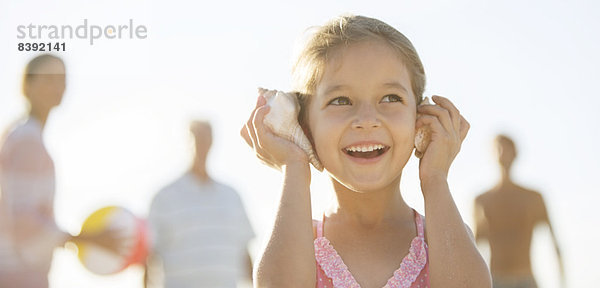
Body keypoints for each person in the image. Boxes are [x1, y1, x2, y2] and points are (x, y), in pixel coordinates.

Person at [241, 15, 491, 288]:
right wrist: (294, 166)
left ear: (419, 118)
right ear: (305, 127)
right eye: (341, 100)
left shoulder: (444, 237)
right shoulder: (296, 240)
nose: (367, 119)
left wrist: (435, 178)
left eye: (390, 98)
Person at [0, 54, 122, 288]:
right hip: (17, 274)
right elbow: (24, 221)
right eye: (48, 78)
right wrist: (88, 239)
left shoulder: (21, 136)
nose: (57, 86)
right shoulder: (27, 141)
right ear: (28, 85)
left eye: (62, 79)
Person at [146, 120, 255, 288]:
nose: (202, 142)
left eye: (206, 137)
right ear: (187, 141)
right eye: (197, 136)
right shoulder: (164, 196)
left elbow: (244, 252)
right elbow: (149, 255)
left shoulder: (232, 196)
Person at [474, 134, 565, 288]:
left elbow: (554, 243)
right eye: (498, 148)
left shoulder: (533, 198)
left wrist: (563, 282)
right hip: (494, 280)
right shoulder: (482, 201)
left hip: (526, 280)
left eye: (506, 148)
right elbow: (474, 248)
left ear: (515, 153)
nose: (502, 152)